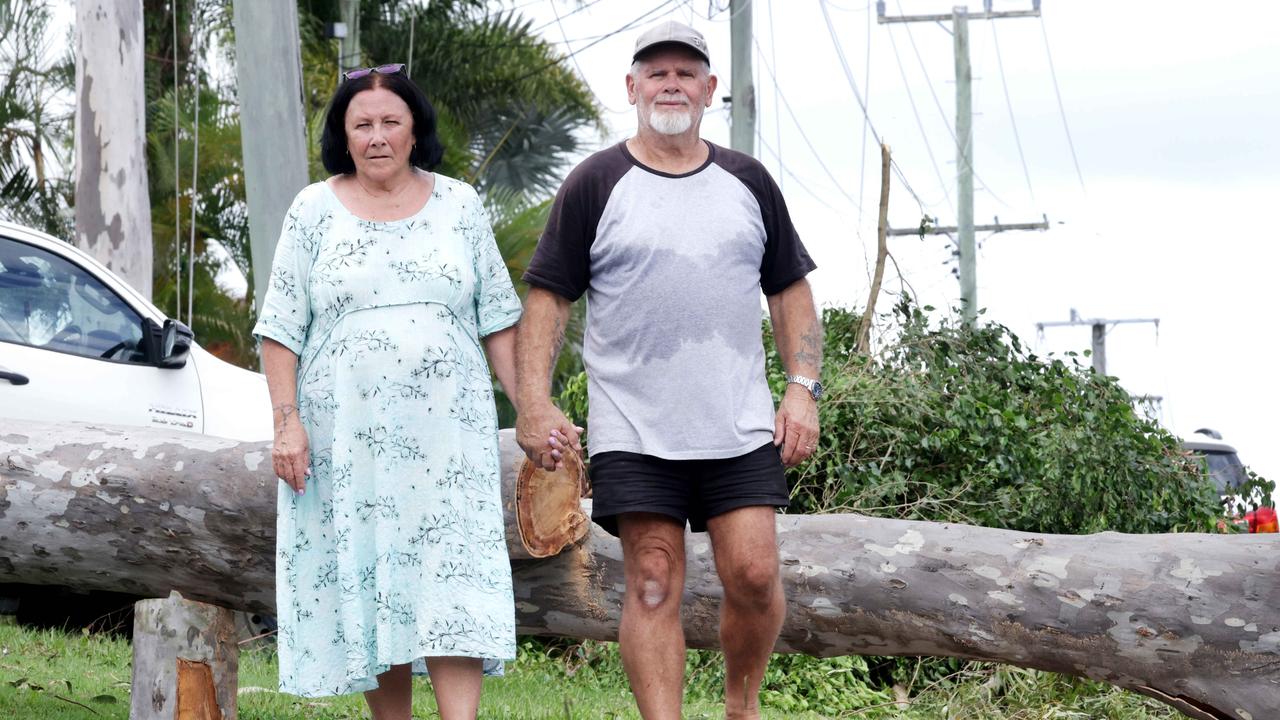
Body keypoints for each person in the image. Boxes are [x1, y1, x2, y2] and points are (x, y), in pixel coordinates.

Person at [515, 20, 824, 720]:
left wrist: (801, 391)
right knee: (653, 582)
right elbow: (548, 298)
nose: (672, 83)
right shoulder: (596, 182)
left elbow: (790, 290)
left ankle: (740, 707)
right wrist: (533, 403)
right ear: (631, 87)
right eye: (656, 73)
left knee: (754, 573)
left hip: (738, 421)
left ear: (711, 89)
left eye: (687, 72)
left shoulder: (748, 181)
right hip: (634, 424)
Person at [253, 63, 521, 720]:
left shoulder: (460, 203)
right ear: (344, 137)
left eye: (390, 122)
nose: (377, 137)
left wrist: (534, 409)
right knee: (379, 581)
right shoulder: (312, 208)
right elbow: (280, 328)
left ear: (414, 130)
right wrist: (286, 423)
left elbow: (498, 319)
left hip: (449, 442)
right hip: (350, 440)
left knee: (451, 582)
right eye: (362, 125)